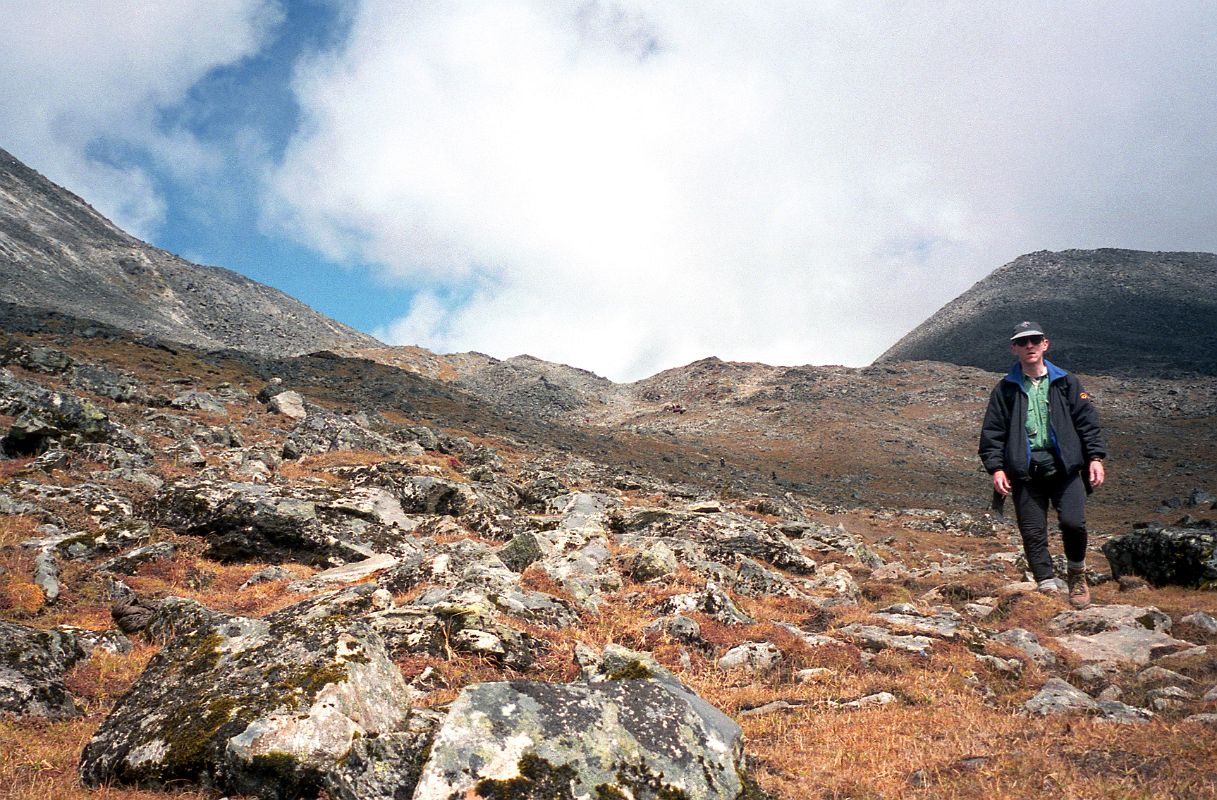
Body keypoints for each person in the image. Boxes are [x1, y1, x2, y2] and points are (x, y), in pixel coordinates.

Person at [978, 321, 1106, 608]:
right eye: (1022, 342)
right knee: (1033, 531)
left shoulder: (1066, 382)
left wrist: (1095, 458)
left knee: (1073, 523)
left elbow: (1088, 422)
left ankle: (1076, 574)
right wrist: (996, 468)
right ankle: (1046, 585)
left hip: (1065, 468)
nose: (1030, 346)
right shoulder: (1005, 389)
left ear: (1045, 344)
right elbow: (992, 432)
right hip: (1025, 471)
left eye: (1034, 340)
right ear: (1014, 349)